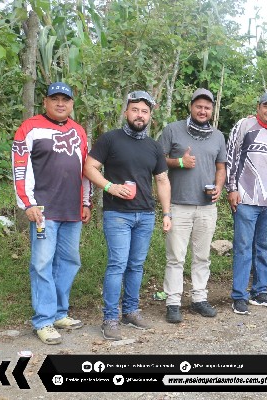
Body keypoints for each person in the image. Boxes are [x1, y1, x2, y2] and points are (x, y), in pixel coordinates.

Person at [84, 90, 172, 340]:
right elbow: (89, 167)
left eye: (144, 111)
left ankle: (131, 312)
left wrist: (167, 213)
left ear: (150, 116)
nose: (139, 115)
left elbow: (162, 180)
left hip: (145, 215)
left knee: (136, 265)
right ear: (126, 112)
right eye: (135, 110)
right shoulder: (110, 139)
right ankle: (110, 318)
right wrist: (109, 187)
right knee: (117, 265)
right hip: (117, 214)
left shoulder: (154, 147)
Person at [12, 82, 92, 345]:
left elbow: (86, 170)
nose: (60, 103)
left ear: (72, 104)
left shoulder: (78, 131)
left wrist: (86, 202)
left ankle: (59, 313)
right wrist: (28, 203)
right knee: (42, 263)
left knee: (69, 261)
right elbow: (20, 168)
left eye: (65, 99)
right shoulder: (30, 128)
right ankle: (43, 320)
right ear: (45, 102)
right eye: (54, 98)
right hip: (43, 211)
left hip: (72, 210)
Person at [158, 88, 227, 322]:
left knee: (202, 256)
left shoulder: (218, 136)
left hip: (207, 207)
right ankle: (173, 302)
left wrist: (219, 187)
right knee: (175, 257)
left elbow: (221, 167)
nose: (203, 111)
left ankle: (199, 299)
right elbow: (157, 162)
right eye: (199, 106)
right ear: (191, 107)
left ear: (212, 110)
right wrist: (180, 161)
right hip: (178, 204)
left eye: (207, 107)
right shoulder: (172, 130)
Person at [226, 91, 267, 315]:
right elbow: (231, 157)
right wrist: (231, 188)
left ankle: (260, 292)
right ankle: (239, 296)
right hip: (245, 199)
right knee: (243, 248)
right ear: (258, 107)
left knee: (264, 248)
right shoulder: (245, 125)